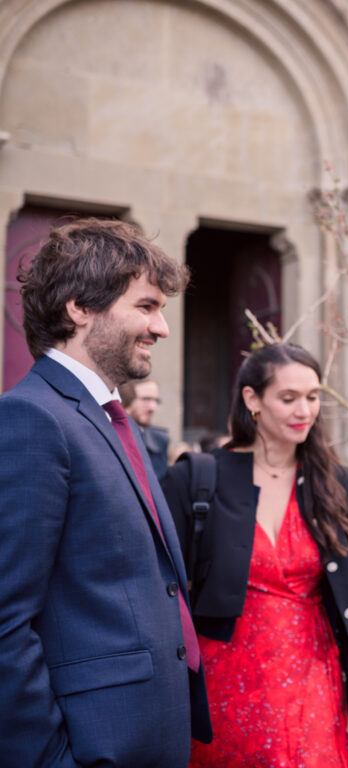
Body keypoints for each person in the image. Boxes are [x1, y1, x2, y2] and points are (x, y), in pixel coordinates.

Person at [0, 218, 210, 767]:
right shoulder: (30, 419)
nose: (161, 328)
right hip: (91, 747)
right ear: (79, 308)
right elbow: (5, 619)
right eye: (146, 306)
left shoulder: (117, 421)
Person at [161, 342, 348, 766]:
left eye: (313, 397)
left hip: (313, 680)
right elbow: (161, 591)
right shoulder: (197, 478)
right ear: (252, 399)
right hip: (226, 685)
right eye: (289, 398)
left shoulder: (334, 482)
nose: (305, 410)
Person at [121, 378, 171, 479]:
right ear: (126, 400)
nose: (153, 407)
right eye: (146, 399)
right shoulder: (110, 436)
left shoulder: (160, 440)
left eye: (156, 400)